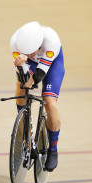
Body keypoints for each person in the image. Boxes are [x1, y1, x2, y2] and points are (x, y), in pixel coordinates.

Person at [10, 21, 65, 172]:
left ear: (39, 44)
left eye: (30, 52)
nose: (27, 55)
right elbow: (23, 76)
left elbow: (40, 75)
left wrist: (31, 81)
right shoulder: (15, 42)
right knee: (20, 84)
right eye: (24, 52)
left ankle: (53, 148)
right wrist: (21, 66)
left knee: (49, 101)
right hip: (31, 64)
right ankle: (24, 120)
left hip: (52, 64)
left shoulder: (51, 41)